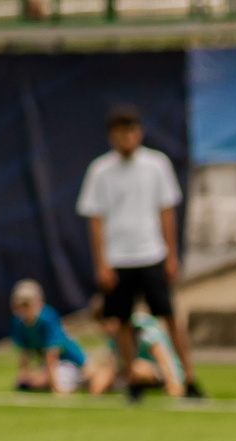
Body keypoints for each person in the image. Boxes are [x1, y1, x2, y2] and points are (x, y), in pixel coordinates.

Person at [77, 106, 203, 401]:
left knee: (170, 316)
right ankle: (132, 378)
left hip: (152, 254)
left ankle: (189, 379)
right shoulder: (100, 170)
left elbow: (167, 213)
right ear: (112, 137)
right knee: (120, 321)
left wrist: (171, 255)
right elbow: (95, 221)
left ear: (139, 133)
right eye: (120, 133)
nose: (127, 138)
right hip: (119, 259)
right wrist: (102, 263)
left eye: (131, 131)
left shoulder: (156, 165)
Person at [8, 280, 86, 393]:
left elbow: (52, 353)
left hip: (70, 362)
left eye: (27, 304)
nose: (24, 309)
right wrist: (23, 376)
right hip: (47, 365)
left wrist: (54, 386)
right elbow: (25, 351)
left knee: (44, 381)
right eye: (21, 305)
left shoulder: (48, 318)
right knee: (32, 381)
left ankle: (84, 378)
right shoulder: (18, 321)